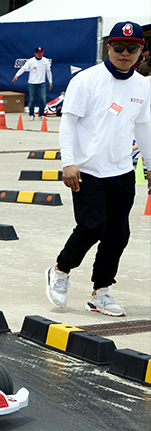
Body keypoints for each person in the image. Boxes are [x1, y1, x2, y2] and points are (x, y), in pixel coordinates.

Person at [45, 21, 151, 317]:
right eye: (119, 46)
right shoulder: (87, 80)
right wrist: (68, 162)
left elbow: (143, 127)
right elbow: (69, 121)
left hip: (121, 172)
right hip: (87, 170)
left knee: (118, 234)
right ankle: (60, 270)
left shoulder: (142, 86)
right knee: (93, 226)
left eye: (132, 48)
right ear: (109, 47)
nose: (125, 53)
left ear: (141, 50)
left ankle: (100, 292)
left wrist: (150, 165)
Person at [12, 46, 53, 120]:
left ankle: (41, 114)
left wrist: (50, 82)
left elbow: (48, 71)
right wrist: (16, 75)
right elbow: (23, 68)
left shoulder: (46, 61)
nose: (40, 54)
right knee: (32, 99)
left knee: (42, 99)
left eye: (41, 53)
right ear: (35, 54)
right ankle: (31, 114)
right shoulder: (31, 61)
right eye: (38, 53)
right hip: (32, 83)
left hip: (42, 83)